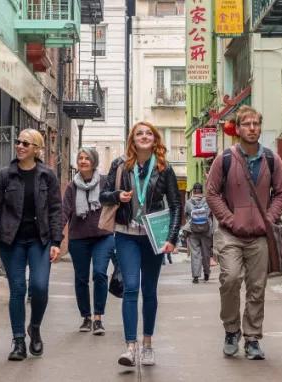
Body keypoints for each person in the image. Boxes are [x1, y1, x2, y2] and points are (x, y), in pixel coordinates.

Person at [206, 105, 282, 360]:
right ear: (238, 128)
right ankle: (231, 331)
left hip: (260, 235)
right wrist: (229, 219)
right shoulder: (225, 159)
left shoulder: (272, 159)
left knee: (257, 287)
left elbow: (281, 194)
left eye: (256, 124)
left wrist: (269, 219)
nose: (252, 128)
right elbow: (212, 193)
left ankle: (252, 338)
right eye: (247, 124)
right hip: (231, 234)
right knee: (230, 279)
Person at [100, 121, 181, 367]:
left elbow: (176, 205)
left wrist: (171, 238)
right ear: (132, 140)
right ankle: (130, 347)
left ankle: (147, 344)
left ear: (155, 140)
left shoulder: (164, 169)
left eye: (148, 133)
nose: (144, 137)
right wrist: (117, 196)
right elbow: (103, 196)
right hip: (126, 235)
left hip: (153, 237)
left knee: (149, 290)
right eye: (139, 134)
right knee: (131, 287)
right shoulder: (120, 165)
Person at [0, 128, 62, 361]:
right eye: (18, 142)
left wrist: (56, 241)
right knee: (17, 289)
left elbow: (56, 210)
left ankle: (34, 327)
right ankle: (18, 342)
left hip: (40, 240)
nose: (20, 146)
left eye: (26, 143)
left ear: (36, 149)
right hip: (11, 240)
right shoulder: (6, 175)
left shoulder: (47, 176)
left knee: (39, 286)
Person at [62, 147, 115, 335]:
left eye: (87, 158)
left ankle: (98, 318)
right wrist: (55, 237)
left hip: (103, 236)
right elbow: (64, 212)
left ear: (94, 162)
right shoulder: (72, 186)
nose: (83, 161)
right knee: (81, 278)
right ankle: (86, 317)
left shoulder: (104, 182)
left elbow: (114, 204)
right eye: (80, 158)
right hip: (79, 238)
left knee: (100, 273)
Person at [185, 182, 212, 284]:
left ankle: (196, 276)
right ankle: (206, 273)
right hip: (206, 230)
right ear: (202, 191)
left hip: (193, 231)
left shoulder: (188, 203)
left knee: (195, 253)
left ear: (193, 191)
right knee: (206, 253)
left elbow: (186, 215)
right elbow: (210, 214)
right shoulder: (207, 201)